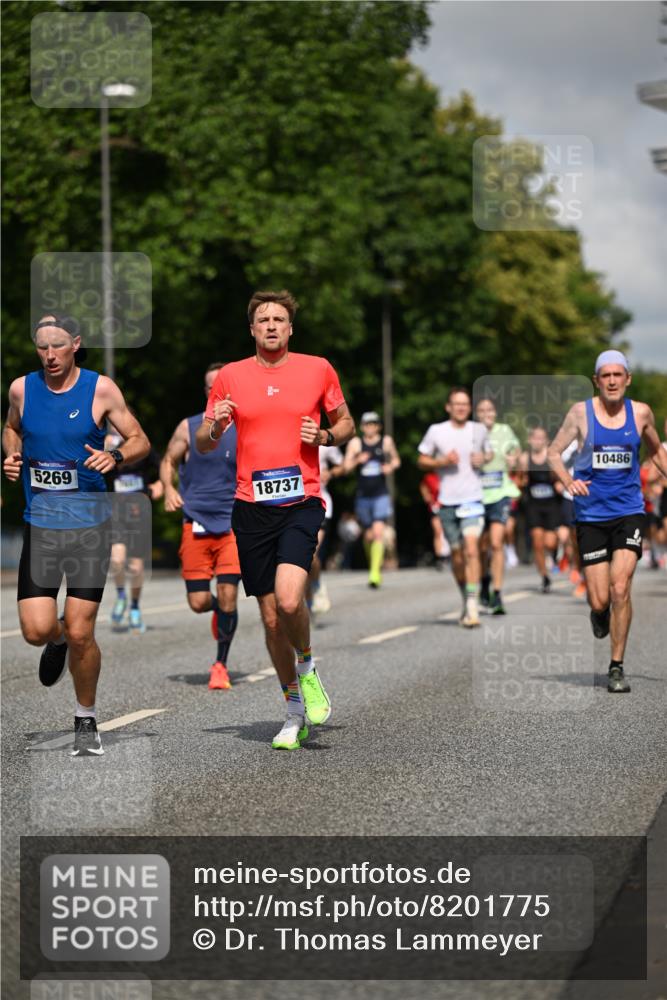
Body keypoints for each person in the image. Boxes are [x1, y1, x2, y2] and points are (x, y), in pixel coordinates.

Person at [195, 290, 354, 749]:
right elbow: (205, 442)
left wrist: (323, 434)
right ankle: (293, 711)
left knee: (288, 602)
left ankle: (306, 667)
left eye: (278, 319)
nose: (270, 325)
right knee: (268, 619)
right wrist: (216, 425)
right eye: (262, 319)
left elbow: (345, 425)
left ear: (290, 329)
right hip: (250, 506)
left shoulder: (317, 368)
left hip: (301, 500)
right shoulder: (231, 376)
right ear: (251, 328)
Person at [2, 315, 150, 755]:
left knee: (83, 631)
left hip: (89, 525)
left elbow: (140, 439)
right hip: (43, 522)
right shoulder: (21, 389)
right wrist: (12, 454)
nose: (49, 355)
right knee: (36, 630)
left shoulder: (100, 389)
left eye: (58, 347)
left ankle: (86, 719)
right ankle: (58, 639)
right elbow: (11, 428)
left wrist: (117, 456)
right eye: (42, 347)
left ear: (75, 344)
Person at [547, 350, 667, 693]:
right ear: (596, 380)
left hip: (629, 511)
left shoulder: (641, 413)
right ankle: (598, 614)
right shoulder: (580, 414)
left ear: (628, 379)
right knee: (599, 599)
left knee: (620, 588)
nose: (612, 381)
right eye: (605, 375)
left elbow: (656, 451)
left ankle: (616, 666)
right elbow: (553, 453)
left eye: (618, 375)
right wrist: (568, 480)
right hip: (590, 516)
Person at [160, 363, 241, 690]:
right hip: (196, 521)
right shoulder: (189, 426)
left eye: (221, 386)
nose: (216, 392)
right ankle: (217, 612)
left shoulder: (247, 426)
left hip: (235, 522)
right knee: (198, 602)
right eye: (211, 387)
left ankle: (220, 664)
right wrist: (168, 488)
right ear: (206, 392)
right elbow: (168, 460)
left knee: (228, 595)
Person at [417, 388, 492, 627]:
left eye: (465, 404)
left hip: (473, 499)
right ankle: (466, 597)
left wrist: (483, 459)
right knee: (457, 557)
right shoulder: (436, 431)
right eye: (456, 404)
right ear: (448, 407)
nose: (461, 408)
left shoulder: (478, 430)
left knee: (472, 549)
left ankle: (472, 606)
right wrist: (441, 461)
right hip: (447, 502)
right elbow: (421, 460)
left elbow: (489, 453)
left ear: (469, 407)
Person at [105, 420, 163, 633]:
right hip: (116, 510)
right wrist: (106, 449)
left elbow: (163, 468)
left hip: (139, 511)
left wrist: (160, 485)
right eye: (114, 425)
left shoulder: (143, 446)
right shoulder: (106, 445)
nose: (117, 429)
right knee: (117, 560)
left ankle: (135, 607)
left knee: (136, 567)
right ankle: (121, 595)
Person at [344, 412, 401, 589]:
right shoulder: (355, 444)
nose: (371, 427)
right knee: (368, 536)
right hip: (363, 496)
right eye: (367, 424)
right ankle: (374, 565)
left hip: (380, 494)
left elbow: (397, 460)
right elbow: (345, 467)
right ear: (362, 427)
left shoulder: (386, 442)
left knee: (378, 532)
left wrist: (389, 467)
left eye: (374, 424)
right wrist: (357, 459)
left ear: (379, 426)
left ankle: (374, 573)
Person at [475, 398, 520, 614]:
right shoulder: (471, 433)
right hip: (476, 495)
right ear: (476, 413)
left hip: (501, 493)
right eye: (482, 410)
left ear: (495, 412)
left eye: (490, 409)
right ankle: (484, 580)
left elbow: (515, 451)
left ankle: (498, 593)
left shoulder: (505, 430)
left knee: (496, 543)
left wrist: (513, 459)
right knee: (481, 547)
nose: (486, 413)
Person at [519, 426, 563, 593]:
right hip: (533, 504)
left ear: (546, 441)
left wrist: (558, 482)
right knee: (537, 542)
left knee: (550, 542)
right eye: (535, 437)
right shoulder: (525, 458)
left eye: (541, 437)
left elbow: (560, 477)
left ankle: (553, 555)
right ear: (530, 440)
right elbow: (520, 479)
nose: (537, 440)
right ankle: (544, 576)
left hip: (551, 504)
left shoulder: (551, 458)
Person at [308, 443, 345, 614]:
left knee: (310, 553)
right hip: (292, 506)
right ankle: (305, 602)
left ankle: (316, 583)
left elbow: (342, 465)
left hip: (320, 503)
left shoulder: (322, 441)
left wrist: (330, 473)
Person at [419, 471, 450, 570]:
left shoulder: (448, 474)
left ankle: (450, 555)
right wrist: (426, 495)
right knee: (438, 531)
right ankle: (441, 557)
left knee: (448, 531)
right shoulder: (429, 476)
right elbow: (423, 485)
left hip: (448, 505)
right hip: (435, 506)